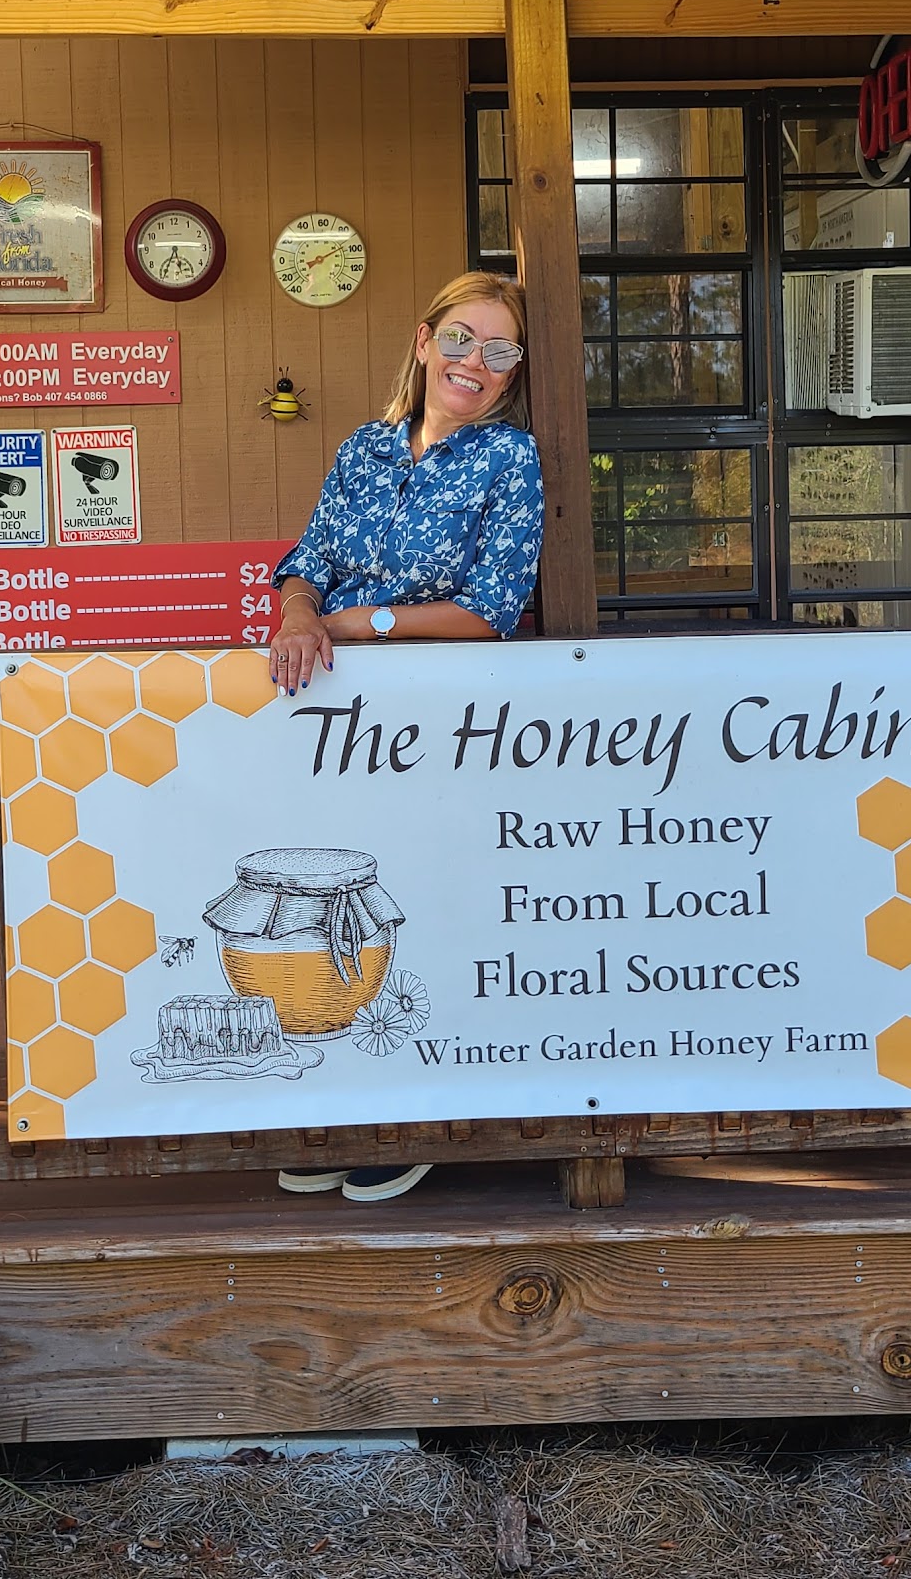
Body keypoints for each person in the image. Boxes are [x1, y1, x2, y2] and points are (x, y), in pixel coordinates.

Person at [266, 270, 545, 1204]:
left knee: (418, 906)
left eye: (500, 351)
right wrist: (300, 613)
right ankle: (345, 1104)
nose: (477, 363)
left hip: (440, 726)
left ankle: (418, 1114)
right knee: (339, 902)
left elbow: (491, 610)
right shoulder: (363, 449)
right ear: (424, 340)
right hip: (337, 728)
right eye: (462, 339)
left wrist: (361, 624)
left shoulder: (511, 461)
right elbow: (309, 562)